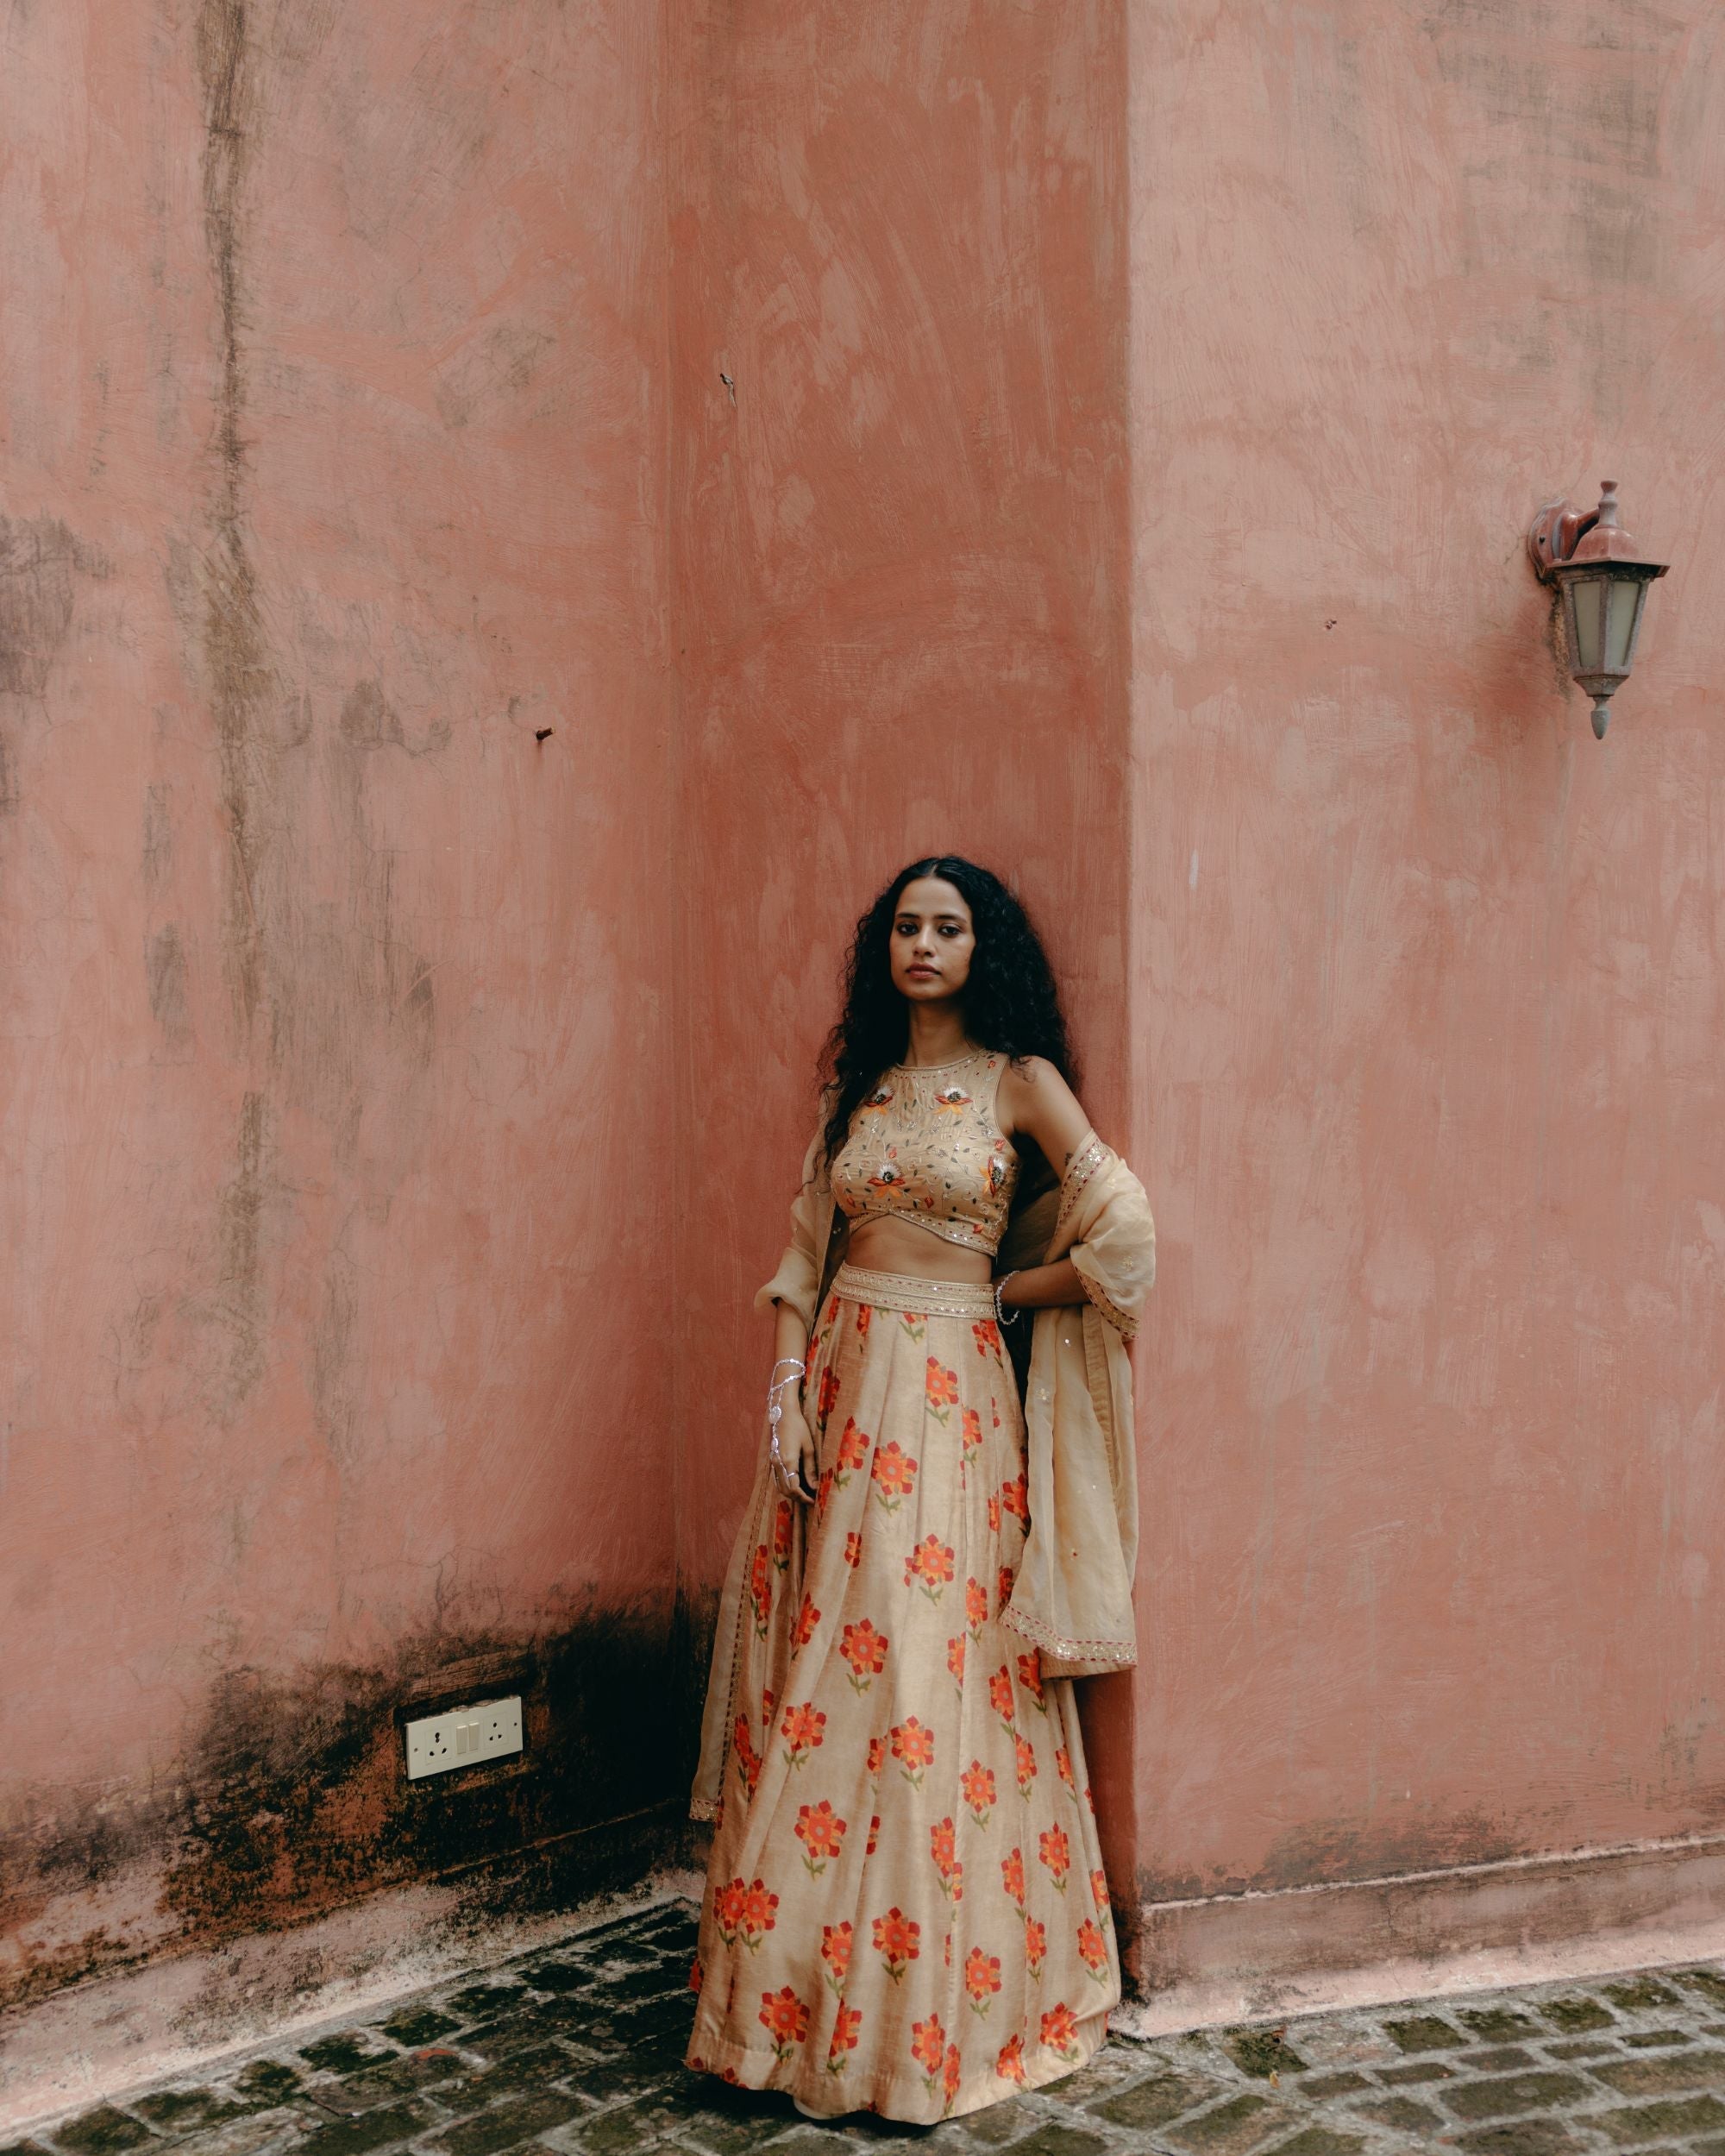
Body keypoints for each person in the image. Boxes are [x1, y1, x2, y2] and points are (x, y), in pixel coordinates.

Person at [687, 856, 1155, 2123]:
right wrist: (784, 1401)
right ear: (883, 948)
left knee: (921, 1666)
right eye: (907, 926)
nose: (925, 944)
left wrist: (1008, 1293)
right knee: (828, 1675)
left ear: (980, 947)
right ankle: (782, 2020)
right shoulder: (862, 1096)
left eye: (949, 927)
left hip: (951, 1407)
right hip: (840, 1396)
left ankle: (928, 2019)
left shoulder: (1019, 1084)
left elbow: (1124, 1230)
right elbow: (799, 1260)